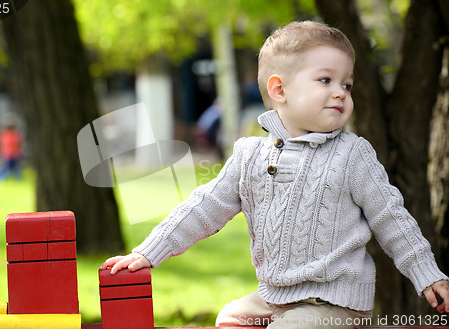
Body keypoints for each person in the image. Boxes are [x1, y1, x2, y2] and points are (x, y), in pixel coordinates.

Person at [100, 21, 449, 328]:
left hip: (331, 302)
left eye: (347, 84)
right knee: (230, 318)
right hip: (273, 298)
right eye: (326, 80)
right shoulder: (249, 154)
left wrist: (426, 275)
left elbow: (392, 218)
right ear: (279, 90)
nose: (340, 92)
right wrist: (150, 251)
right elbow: (204, 207)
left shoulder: (351, 155)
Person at [0, 115, 23, 181]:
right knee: (4, 168)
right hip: (6, 155)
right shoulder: (3, 134)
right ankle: (0, 179)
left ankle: (18, 180)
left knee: (15, 169)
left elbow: (19, 144)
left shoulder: (17, 134)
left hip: (14, 154)